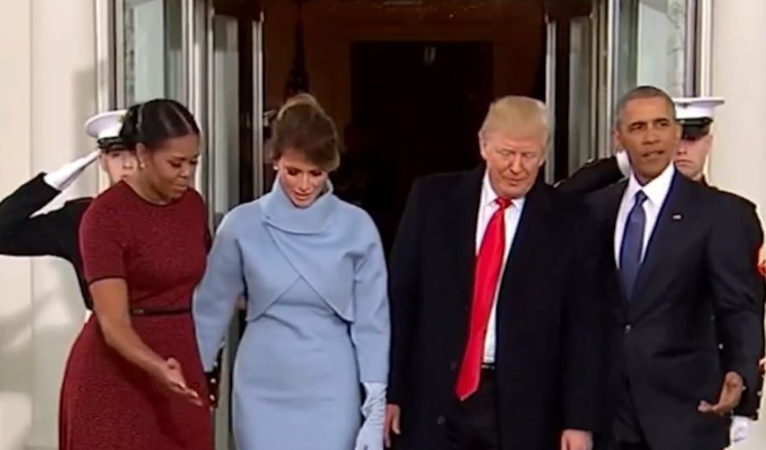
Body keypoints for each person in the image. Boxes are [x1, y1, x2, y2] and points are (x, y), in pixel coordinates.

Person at [385, 96, 605, 450]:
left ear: (544, 155)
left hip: (524, 406)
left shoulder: (572, 221)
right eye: (506, 153)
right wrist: (392, 393)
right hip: (434, 397)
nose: (516, 167)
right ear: (483, 145)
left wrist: (578, 421)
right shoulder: (432, 200)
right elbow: (402, 300)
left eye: (528, 156)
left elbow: (584, 327)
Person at [193, 93, 389, 450]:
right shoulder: (241, 225)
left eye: (316, 173)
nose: (304, 185)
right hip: (261, 386)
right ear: (275, 161)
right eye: (293, 172)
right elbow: (209, 312)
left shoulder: (357, 227)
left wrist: (375, 404)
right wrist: (193, 385)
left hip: (332, 387)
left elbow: (372, 321)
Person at [588, 86, 763, 450]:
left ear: (676, 132)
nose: (651, 137)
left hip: (684, 413)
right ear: (618, 138)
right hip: (607, 414)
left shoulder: (719, 213)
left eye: (661, 124)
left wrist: (742, 376)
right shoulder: (595, 210)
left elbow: (739, 308)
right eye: (637, 127)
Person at [59, 99, 213, 450]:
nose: (187, 173)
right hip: (116, 370)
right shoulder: (105, 216)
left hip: (179, 357)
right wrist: (157, 367)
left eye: (193, 162)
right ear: (143, 153)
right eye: (176, 163)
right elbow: (113, 323)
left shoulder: (192, 205)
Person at [0, 110, 135, 309]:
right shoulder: (80, 218)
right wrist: (54, 181)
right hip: (105, 326)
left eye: (136, 154)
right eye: (116, 155)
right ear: (103, 160)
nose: (128, 165)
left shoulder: (176, 211)